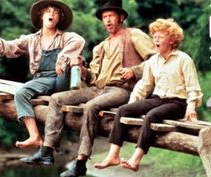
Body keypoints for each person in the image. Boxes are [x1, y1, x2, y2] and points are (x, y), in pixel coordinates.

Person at [20, 0, 155, 175]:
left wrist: (135, 71)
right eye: (104, 17)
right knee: (56, 98)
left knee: (91, 106)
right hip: (98, 89)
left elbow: (156, 60)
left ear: (121, 17)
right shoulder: (101, 46)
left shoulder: (133, 35)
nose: (107, 21)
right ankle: (47, 151)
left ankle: (81, 162)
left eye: (110, 16)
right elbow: (93, 79)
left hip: (122, 90)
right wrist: (82, 69)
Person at [94, 18, 203, 172]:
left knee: (151, 116)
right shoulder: (153, 61)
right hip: (158, 99)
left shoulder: (183, 59)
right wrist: (132, 104)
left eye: (160, 36)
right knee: (123, 110)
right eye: (154, 36)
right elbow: (143, 86)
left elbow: (193, 87)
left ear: (172, 40)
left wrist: (191, 106)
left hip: (178, 102)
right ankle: (113, 156)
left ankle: (135, 159)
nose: (155, 39)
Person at [0, 0, 85, 149]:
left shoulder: (65, 37)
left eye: (55, 12)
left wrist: (62, 59)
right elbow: (6, 48)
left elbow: (79, 40)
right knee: (21, 93)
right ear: (41, 16)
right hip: (43, 79)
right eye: (48, 11)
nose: (52, 14)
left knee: (75, 61)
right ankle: (35, 136)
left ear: (59, 18)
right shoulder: (31, 39)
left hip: (62, 80)